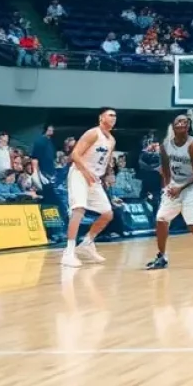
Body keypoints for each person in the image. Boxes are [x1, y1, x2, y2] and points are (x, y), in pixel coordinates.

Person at [146, 115, 193, 270]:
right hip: (175, 184)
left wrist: (180, 187)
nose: (181, 124)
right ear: (173, 125)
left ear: (188, 126)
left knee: (191, 221)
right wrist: (167, 186)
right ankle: (162, 256)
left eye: (184, 122)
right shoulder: (166, 145)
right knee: (161, 218)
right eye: (178, 121)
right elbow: (165, 168)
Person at [61, 108, 117, 268]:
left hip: (95, 179)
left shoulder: (112, 140)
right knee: (79, 209)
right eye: (110, 115)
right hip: (79, 173)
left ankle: (86, 243)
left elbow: (106, 161)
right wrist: (85, 172)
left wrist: (108, 175)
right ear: (101, 118)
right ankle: (68, 252)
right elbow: (75, 155)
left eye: (115, 116)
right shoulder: (93, 133)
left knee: (107, 213)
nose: (113, 118)